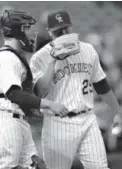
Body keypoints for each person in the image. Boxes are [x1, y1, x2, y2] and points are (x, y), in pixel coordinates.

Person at [30, 10, 122, 169]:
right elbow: (40, 93)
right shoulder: (40, 57)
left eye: (66, 28)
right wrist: (53, 60)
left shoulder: (88, 50)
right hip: (58, 123)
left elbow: (101, 85)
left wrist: (118, 111)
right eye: (59, 31)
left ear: (71, 27)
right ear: (50, 32)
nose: (64, 33)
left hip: (87, 118)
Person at [0, 9, 68, 169]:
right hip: (7, 121)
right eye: (27, 27)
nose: (32, 33)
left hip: (16, 119)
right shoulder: (6, 57)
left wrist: (53, 60)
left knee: (36, 165)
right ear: (18, 30)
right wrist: (49, 104)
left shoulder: (14, 56)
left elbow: (34, 92)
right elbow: (14, 94)